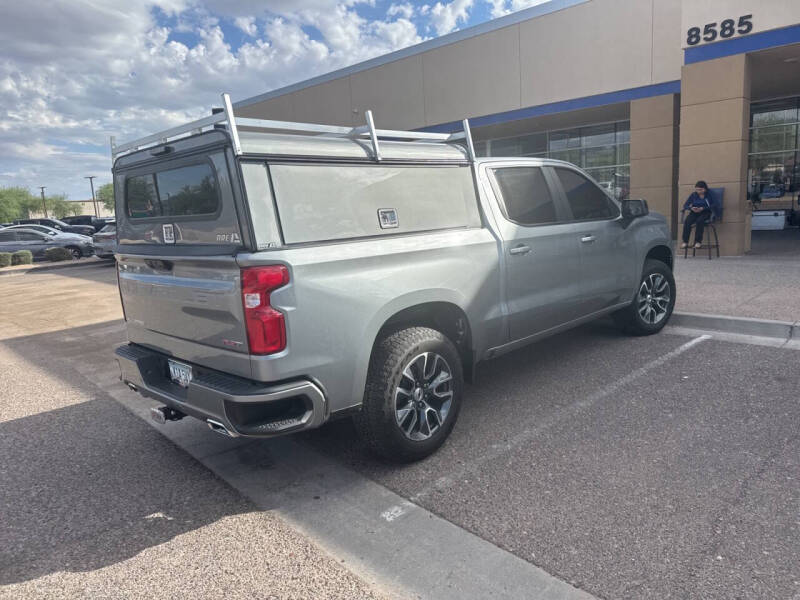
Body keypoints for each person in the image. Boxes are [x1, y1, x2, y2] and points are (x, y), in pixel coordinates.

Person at [681, 181, 715, 249]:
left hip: (705, 212)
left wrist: (703, 208)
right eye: (696, 189)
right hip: (694, 212)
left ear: (704, 189)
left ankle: (698, 242)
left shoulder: (709, 195)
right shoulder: (693, 195)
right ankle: (685, 242)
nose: (698, 191)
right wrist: (691, 208)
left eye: (700, 189)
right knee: (688, 221)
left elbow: (714, 205)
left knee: (700, 221)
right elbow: (685, 205)